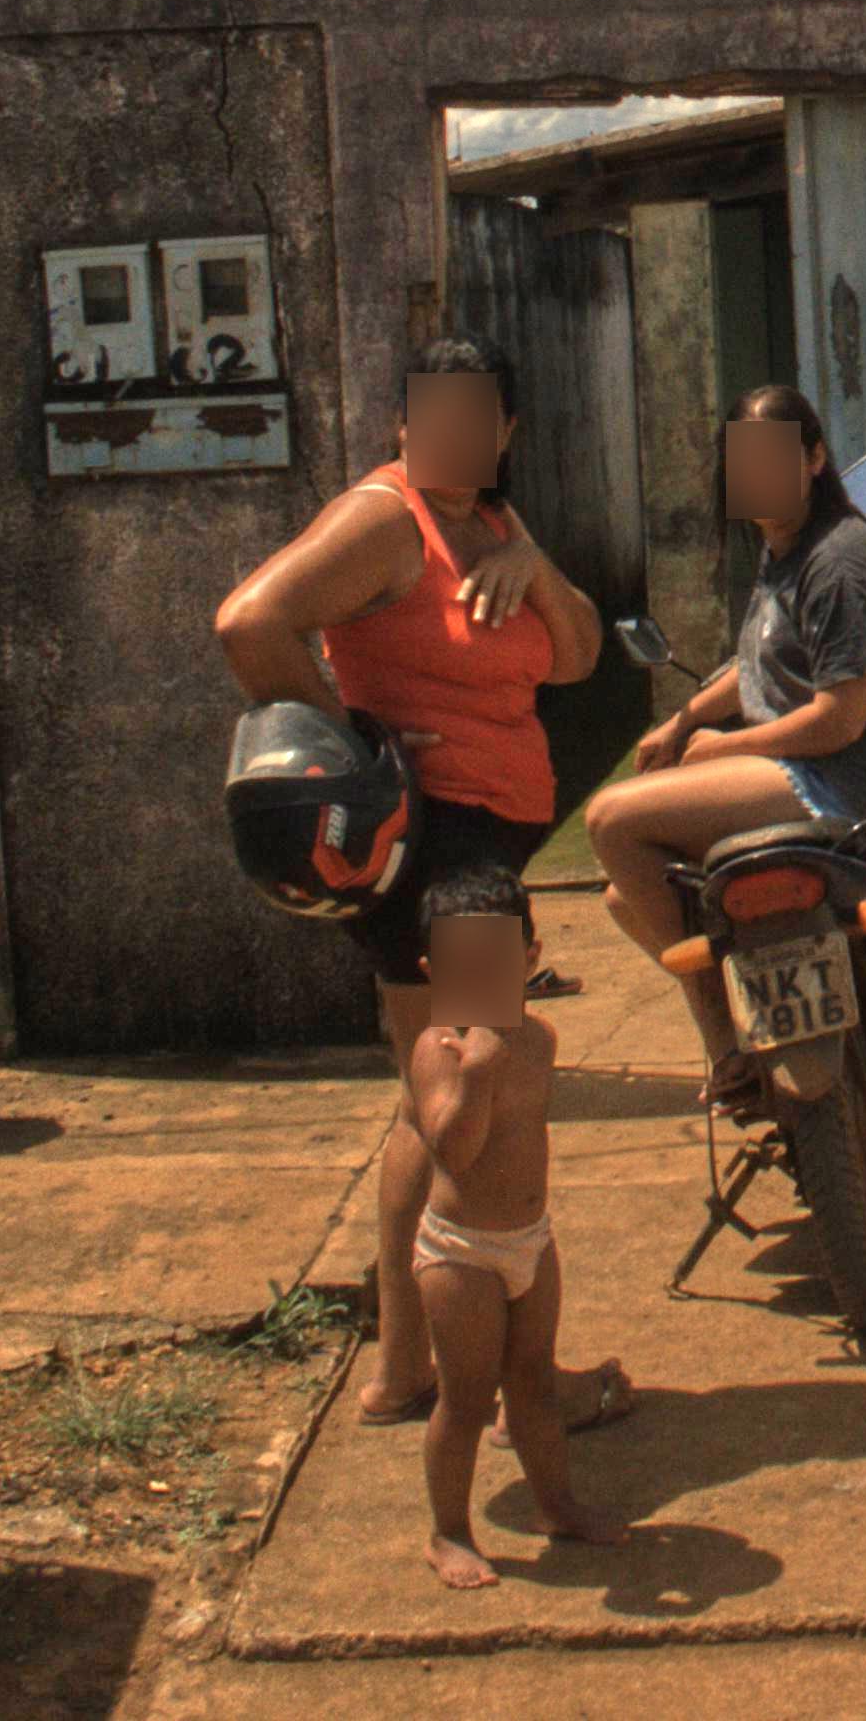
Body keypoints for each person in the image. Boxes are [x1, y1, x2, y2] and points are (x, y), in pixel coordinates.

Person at [215, 334, 607, 1427]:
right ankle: (523, 1384)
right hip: (439, 864)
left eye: (478, 414)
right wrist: (360, 752)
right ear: (402, 422)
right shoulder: (386, 518)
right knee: (490, 1120)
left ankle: (403, 1370)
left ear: (505, 429)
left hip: (479, 851)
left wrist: (537, 570)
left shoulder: (492, 520)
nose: (455, 432)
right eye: (435, 412)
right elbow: (250, 622)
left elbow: (578, 656)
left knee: (427, 1111)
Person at [585, 383, 866, 1111]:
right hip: (812, 769)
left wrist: (722, 751)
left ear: (814, 459)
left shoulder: (837, 563)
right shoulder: (787, 551)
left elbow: (840, 721)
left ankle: (726, 1044)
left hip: (845, 783)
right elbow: (757, 663)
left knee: (609, 822)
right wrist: (685, 720)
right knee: (628, 898)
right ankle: (752, 1003)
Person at [405, 924, 627, 1585]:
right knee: (466, 1398)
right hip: (461, 1253)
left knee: (533, 1384)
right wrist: (476, 1075)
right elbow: (456, 1153)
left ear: (530, 959)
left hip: (530, 1238)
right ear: (434, 971)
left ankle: (556, 1505)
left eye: (495, 965)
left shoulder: (539, 1040)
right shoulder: (437, 1049)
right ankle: (448, 1531)